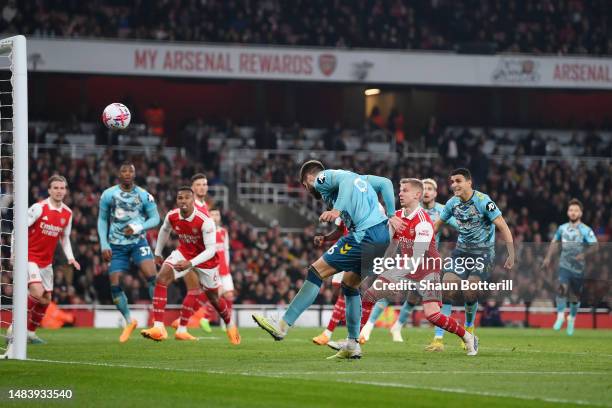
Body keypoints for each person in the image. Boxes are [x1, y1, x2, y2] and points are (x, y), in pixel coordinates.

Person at [252, 160, 402, 359]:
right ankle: (352, 344)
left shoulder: (323, 178)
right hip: (380, 236)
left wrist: (336, 211)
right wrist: (391, 214)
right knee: (349, 286)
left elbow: (347, 180)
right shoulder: (362, 180)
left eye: (306, 187)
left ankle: (282, 325)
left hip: (364, 234)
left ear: (308, 180)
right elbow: (385, 183)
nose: (308, 191)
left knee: (316, 271)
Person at [362, 178, 478, 355]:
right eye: (400, 190)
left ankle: (468, 337)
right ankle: (353, 342)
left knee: (432, 315)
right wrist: (383, 268)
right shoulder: (397, 216)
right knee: (369, 295)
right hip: (407, 266)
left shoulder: (424, 222)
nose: (400, 193)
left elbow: (417, 258)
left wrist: (396, 278)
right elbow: (393, 246)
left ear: (417, 195)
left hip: (427, 270)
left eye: (405, 190)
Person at [141, 187, 240, 344]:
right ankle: (159, 327)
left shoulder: (205, 221)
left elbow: (211, 250)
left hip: (206, 261)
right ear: (177, 200)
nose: (183, 201)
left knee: (214, 298)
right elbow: (164, 229)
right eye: (180, 198)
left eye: (187, 198)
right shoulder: (172, 215)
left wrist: (190, 263)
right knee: (161, 277)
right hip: (184, 253)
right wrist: (158, 252)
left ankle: (230, 325)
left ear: (193, 200)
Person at [433, 168, 514, 350]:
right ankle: (441, 337)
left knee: (470, 290)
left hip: (483, 253)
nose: (454, 184)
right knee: (447, 288)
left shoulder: (483, 201)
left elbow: (503, 225)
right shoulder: (452, 203)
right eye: (452, 181)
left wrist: (512, 253)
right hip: (461, 252)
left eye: (458, 181)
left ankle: (469, 328)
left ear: (469, 182)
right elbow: (437, 225)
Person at [97, 162, 160, 343]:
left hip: (138, 242)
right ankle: (129, 321)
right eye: (123, 170)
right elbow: (102, 220)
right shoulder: (108, 195)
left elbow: (155, 218)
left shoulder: (143, 195)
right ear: (118, 174)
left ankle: (158, 322)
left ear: (134, 174)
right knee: (114, 285)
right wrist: (103, 244)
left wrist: (139, 226)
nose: (126, 174)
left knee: (152, 276)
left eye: (130, 171)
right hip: (116, 245)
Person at [23, 175, 80, 344]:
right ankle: (16, 325)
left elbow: (65, 238)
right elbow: (19, 228)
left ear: (66, 191)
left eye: (62, 188)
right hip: (29, 257)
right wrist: (14, 252)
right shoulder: (38, 208)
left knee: (46, 300)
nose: (59, 191)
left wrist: (70, 258)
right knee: (36, 291)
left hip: (46, 262)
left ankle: (30, 334)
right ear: (49, 190)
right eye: (55, 188)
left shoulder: (67, 213)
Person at [542, 199, 598, 336]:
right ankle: (560, 316)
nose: (573, 213)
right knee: (562, 288)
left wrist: (583, 254)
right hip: (564, 265)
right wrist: (548, 257)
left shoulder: (586, 230)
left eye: (576, 210)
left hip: (578, 268)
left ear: (581, 213)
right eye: (571, 210)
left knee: (574, 299)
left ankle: (572, 319)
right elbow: (554, 242)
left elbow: (595, 246)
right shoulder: (562, 228)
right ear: (568, 212)